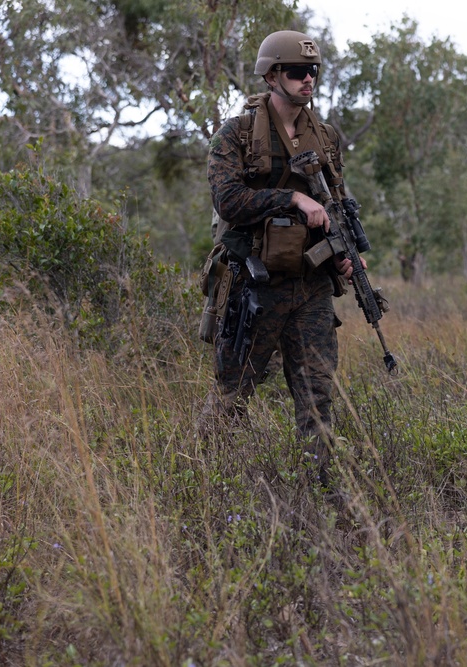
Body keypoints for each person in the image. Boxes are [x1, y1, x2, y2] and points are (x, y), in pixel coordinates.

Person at [197, 29, 359, 491]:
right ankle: (204, 487)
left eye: (313, 71)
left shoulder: (325, 137)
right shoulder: (236, 135)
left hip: (309, 285)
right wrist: (290, 198)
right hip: (255, 284)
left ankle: (319, 493)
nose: (308, 80)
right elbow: (228, 200)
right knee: (233, 393)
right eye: (296, 71)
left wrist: (348, 257)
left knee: (317, 396)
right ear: (271, 75)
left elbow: (337, 204)